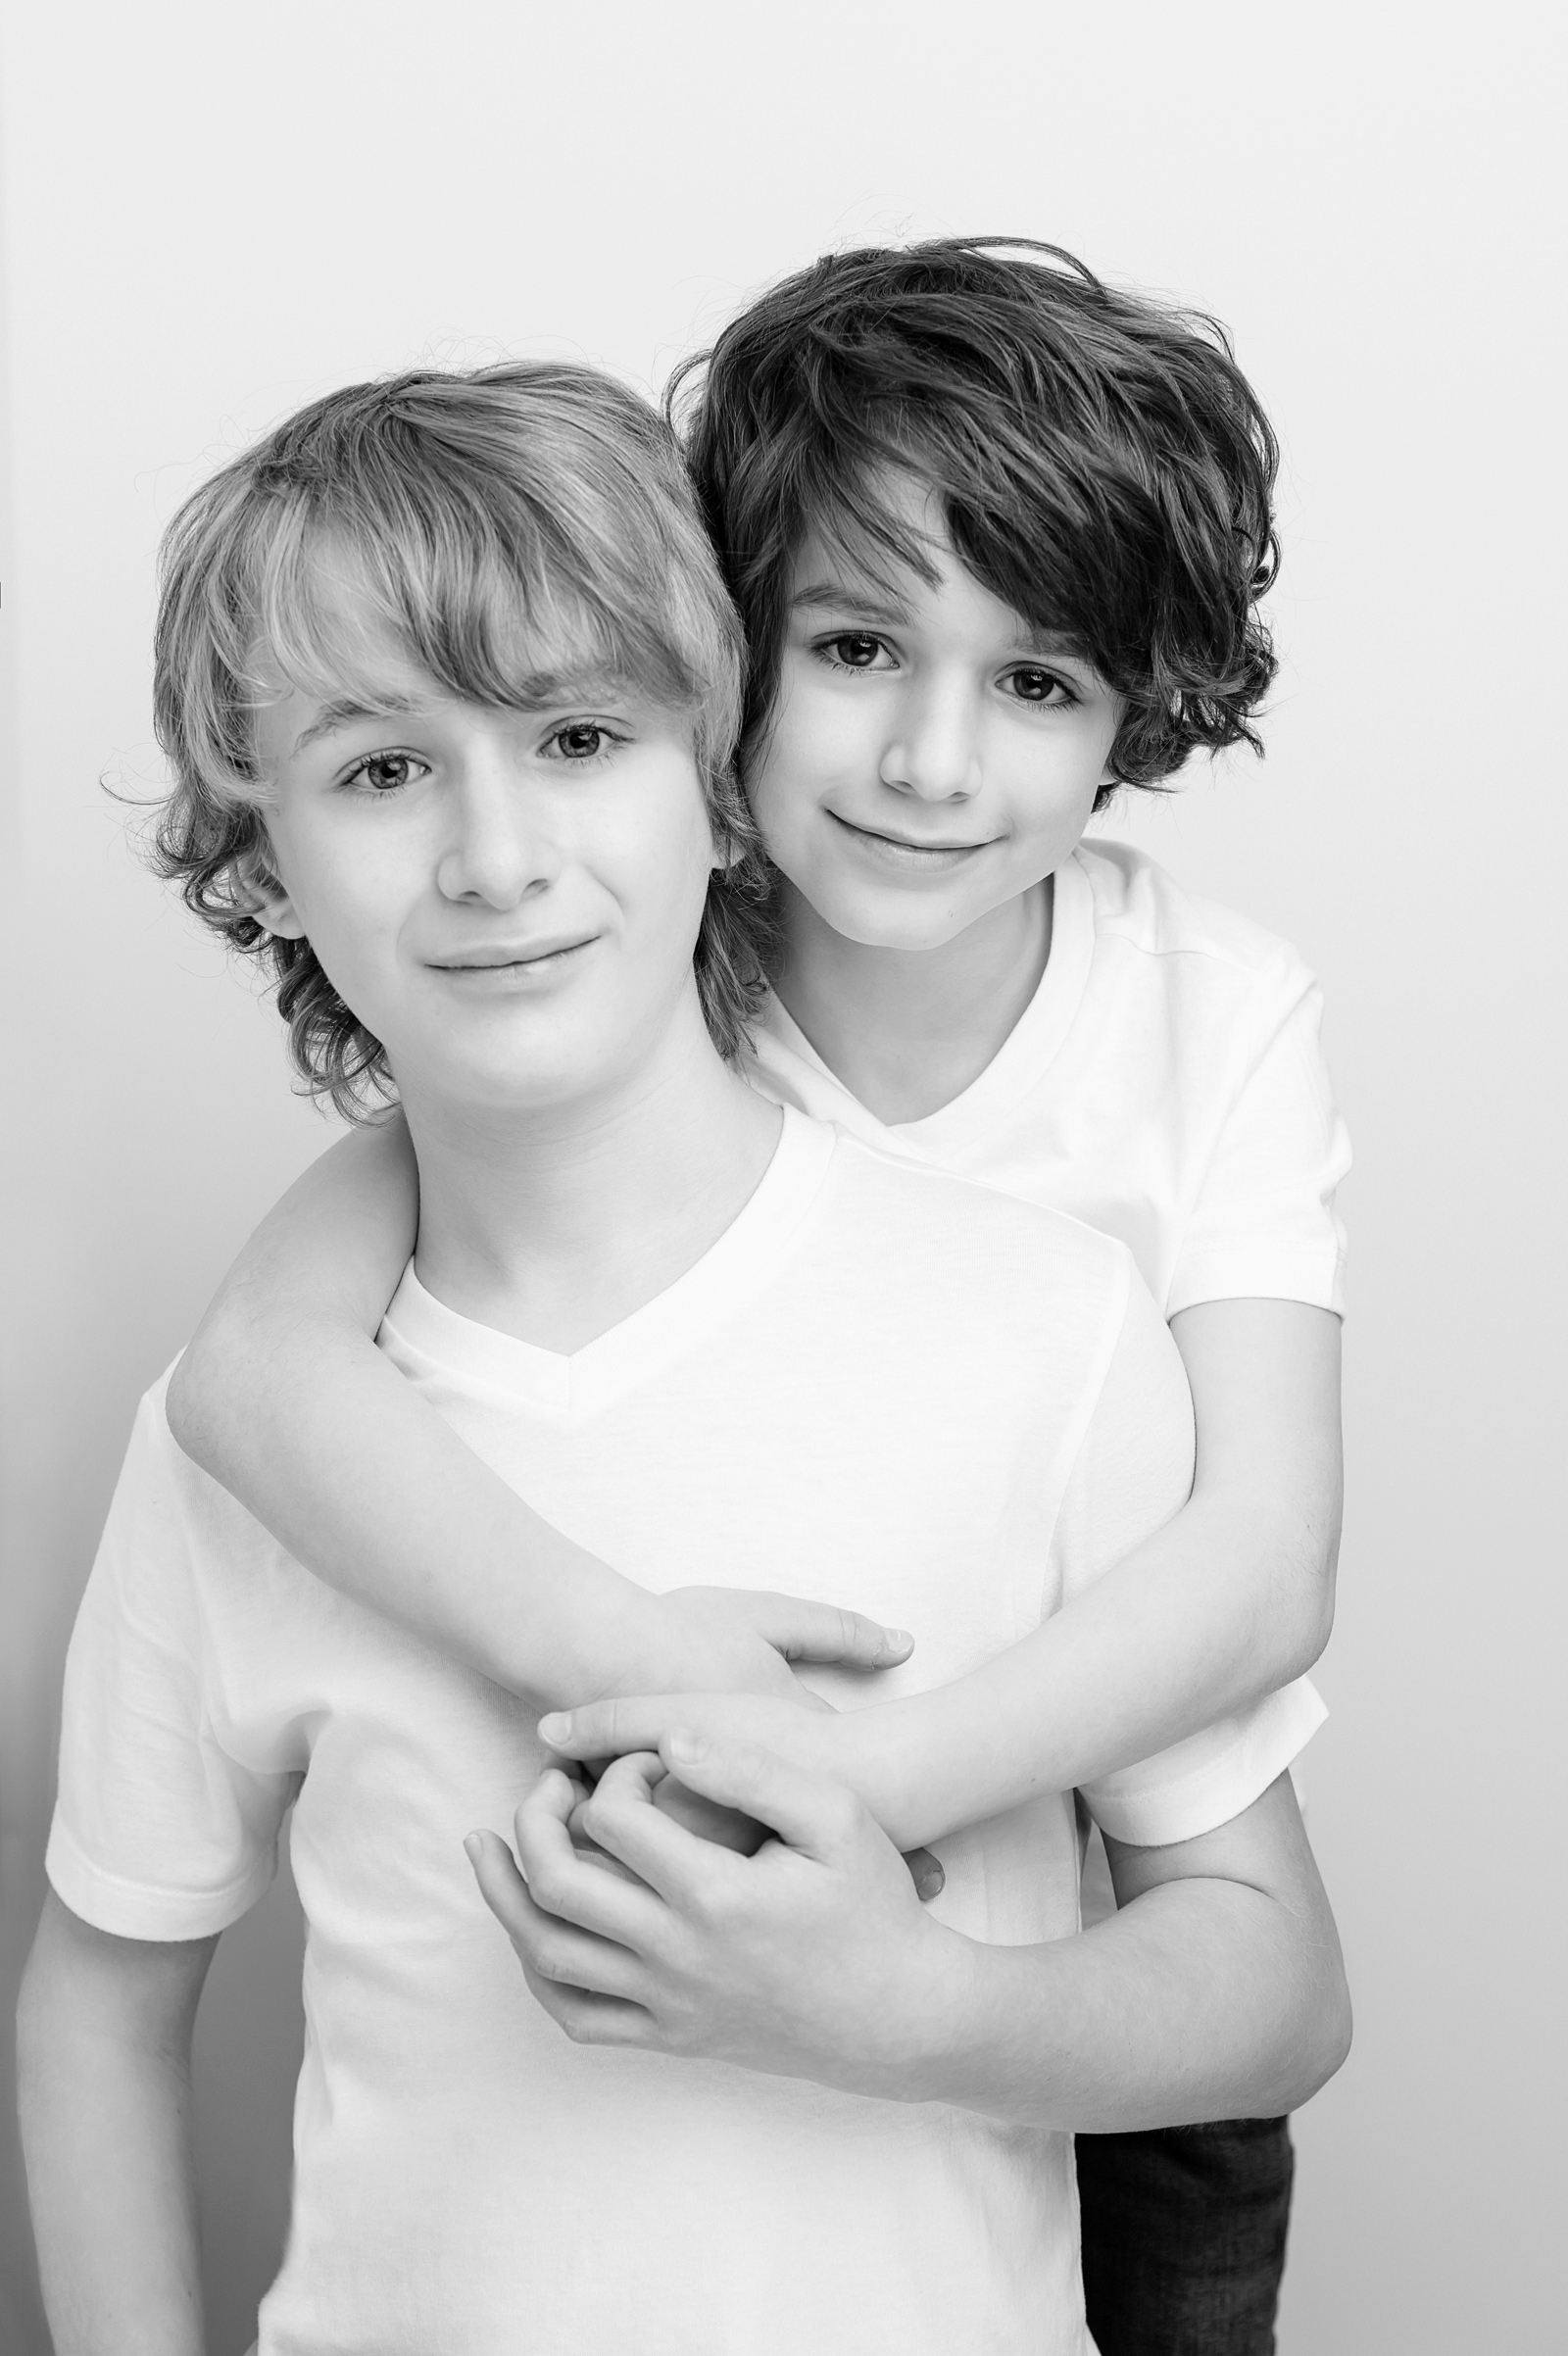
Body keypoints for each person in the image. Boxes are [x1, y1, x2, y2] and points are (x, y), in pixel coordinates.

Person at [18, 364, 1348, 2356]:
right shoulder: (260, 1423)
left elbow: (1274, 1967)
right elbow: (102, 2000)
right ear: (262, 852)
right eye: (381, 767)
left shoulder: (1054, 1313)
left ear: (712, 775)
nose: (491, 854)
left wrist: (894, 2000)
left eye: (570, 734)